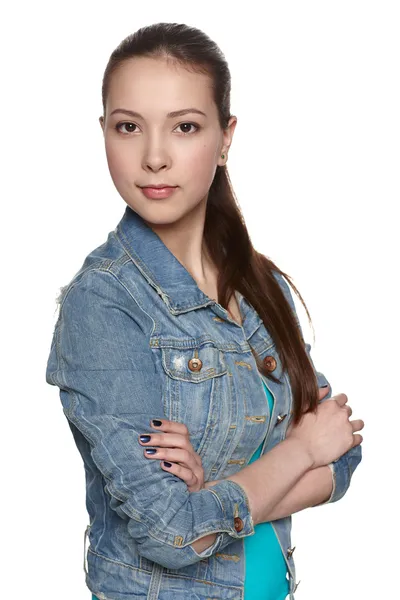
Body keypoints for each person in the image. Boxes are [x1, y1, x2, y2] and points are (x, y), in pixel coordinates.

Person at [45, 22, 364, 600]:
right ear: (103, 133)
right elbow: (169, 532)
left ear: (225, 137)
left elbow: (342, 452)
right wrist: (298, 453)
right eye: (128, 127)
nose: (154, 157)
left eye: (185, 127)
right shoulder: (104, 304)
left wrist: (214, 490)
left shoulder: (261, 285)